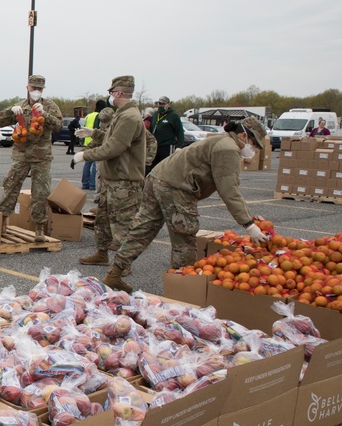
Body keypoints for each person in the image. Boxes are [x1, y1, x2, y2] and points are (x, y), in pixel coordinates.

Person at [103, 118, 271, 292]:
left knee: (144, 228)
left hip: (158, 178)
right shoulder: (228, 148)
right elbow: (229, 190)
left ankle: (114, 274)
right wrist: (248, 224)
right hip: (176, 187)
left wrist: (249, 218)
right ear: (244, 135)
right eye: (254, 145)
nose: (255, 150)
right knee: (184, 238)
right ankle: (183, 290)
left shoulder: (220, 140)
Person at [72, 75, 146, 267]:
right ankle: (102, 254)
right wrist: (94, 133)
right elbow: (112, 138)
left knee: (122, 226)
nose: (110, 96)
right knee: (103, 221)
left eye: (112, 92)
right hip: (112, 178)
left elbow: (114, 147)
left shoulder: (129, 117)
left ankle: (123, 266)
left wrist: (85, 155)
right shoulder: (122, 113)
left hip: (124, 180)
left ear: (119, 93)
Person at [0, 75, 64, 242]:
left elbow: (59, 127)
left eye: (39, 89)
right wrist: (9, 112)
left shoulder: (50, 106)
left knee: (40, 192)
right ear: (27, 88)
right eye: (33, 88)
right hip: (21, 154)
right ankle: (3, 221)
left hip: (41, 156)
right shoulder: (19, 105)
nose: (36, 91)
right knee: (10, 186)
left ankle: (39, 228)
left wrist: (45, 114)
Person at [149, 96, 184, 169]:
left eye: (163, 104)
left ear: (168, 104)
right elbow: (151, 129)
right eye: (159, 104)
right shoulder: (156, 114)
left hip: (166, 146)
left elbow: (180, 131)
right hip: (155, 146)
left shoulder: (173, 116)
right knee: (153, 167)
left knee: (165, 167)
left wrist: (179, 146)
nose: (161, 105)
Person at [80, 100, 106, 189]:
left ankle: (84, 183)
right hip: (96, 141)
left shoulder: (88, 116)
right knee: (95, 165)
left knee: (87, 164)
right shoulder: (101, 116)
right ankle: (92, 184)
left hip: (87, 141)